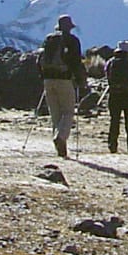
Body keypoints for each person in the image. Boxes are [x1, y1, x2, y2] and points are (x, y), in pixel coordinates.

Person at [38, 14, 87, 158]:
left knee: (56, 114)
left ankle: (61, 148)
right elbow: (76, 62)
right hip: (64, 79)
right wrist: (79, 80)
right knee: (68, 112)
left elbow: (39, 59)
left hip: (48, 79)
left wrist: (43, 76)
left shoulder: (48, 39)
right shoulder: (72, 40)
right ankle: (61, 138)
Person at [104, 41, 128, 154]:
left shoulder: (110, 62)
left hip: (114, 94)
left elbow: (106, 75)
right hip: (127, 94)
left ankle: (112, 145)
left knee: (114, 120)